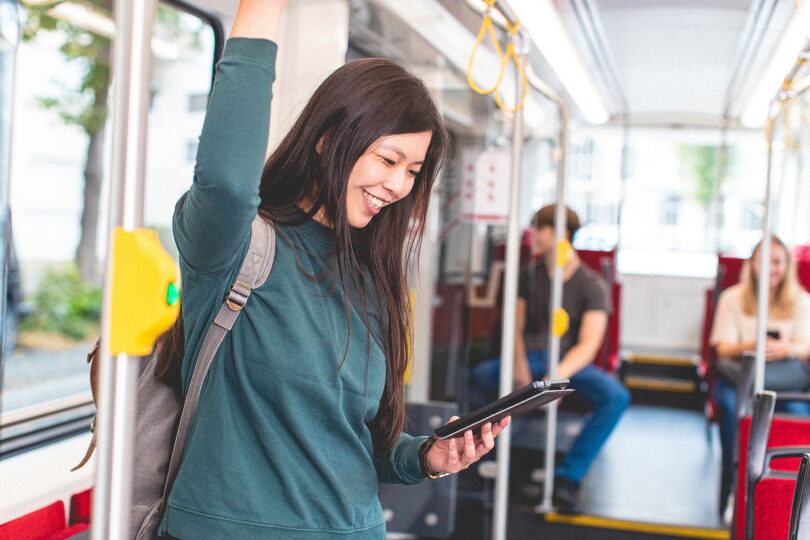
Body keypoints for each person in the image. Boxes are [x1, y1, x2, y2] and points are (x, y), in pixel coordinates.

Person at [157, 2, 510, 538]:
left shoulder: (371, 275)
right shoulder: (236, 246)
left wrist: (427, 457)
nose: (398, 186)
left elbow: (363, 441)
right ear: (326, 141)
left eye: (413, 171)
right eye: (388, 160)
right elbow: (227, 178)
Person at [470, 204, 630, 514]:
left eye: (540, 229)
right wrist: (520, 368)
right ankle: (500, 465)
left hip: (568, 365)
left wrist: (552, 383)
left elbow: (587, 345)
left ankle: (567, 477)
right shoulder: (528, 276)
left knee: (616, 397)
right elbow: (514, 329)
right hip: (528, 359)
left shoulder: (592, 284)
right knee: (478, 378)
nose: (534, 236)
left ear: (561, 235)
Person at [710, 235, 810, 513]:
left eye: (777, 262)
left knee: (799, 416)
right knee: (733, 412)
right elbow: (722, 348)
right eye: (764, 262)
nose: (770, 268)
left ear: (786, 265)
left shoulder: (802, 302)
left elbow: (805, 347)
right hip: (740, 380)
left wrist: (785, 349)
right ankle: (736, 487)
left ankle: (794, 489)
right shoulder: (732, 299)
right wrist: (752, 345)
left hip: (787, 382)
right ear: (752, 265)